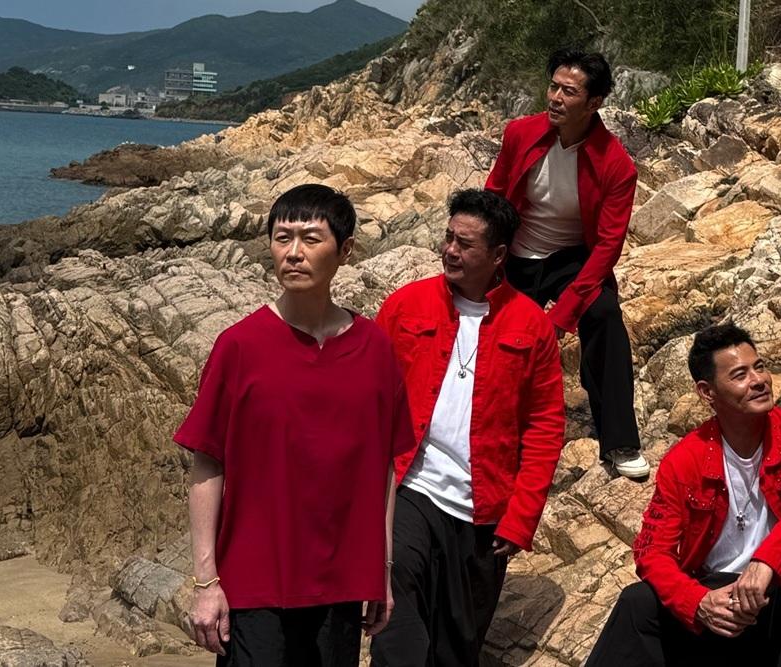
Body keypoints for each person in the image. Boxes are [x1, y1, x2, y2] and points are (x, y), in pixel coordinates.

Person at [175, 184, 414, 666]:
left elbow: (384, 468)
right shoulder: (239, 346)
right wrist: (206, 581)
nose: (294, 253)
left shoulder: (374, 349)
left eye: (311, 238)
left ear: (345, 250)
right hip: (254, 581)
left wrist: (382, 570)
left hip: (342, 582)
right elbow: (207, 462)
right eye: (282, 238)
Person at [586, 325, 781, 666]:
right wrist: (698, 601)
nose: (759, 380)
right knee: (637, 603)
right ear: (707, 392)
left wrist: (767, 561)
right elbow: (651, 552)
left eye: (760, 367)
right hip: (724, 608)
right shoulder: (682, 462)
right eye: (740, 375)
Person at [370, 189, 565, 667]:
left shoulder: (532, 326)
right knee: (397, 614)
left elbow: (544, 428)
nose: (450, 250)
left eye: (465, 243)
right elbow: (367, 397)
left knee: (457, 647)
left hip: (484, 510)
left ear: (498, 255)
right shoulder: (405, 305)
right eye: (448, 237)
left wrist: (521, 518)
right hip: (410, 489)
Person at [485, 47, 649, 480]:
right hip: (516, 252)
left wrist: (562, 315)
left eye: (569, 91)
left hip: (572, 258)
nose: (555, 98)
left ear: (594, 103)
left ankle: (619, 439)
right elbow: (495, 196)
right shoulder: (520, 133)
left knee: (604, 314)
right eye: (553, 87)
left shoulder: (616, 165)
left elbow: (608, 246)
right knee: (484, 320)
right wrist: (481, 255)